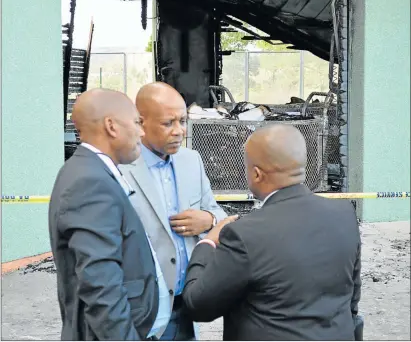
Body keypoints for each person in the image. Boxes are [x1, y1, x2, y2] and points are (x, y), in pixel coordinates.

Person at [182, 124, 362, 340]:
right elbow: (351, 297)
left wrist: (207, 245)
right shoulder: (343, 214)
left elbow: (198, 305)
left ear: (256, 174)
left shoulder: (244, 235)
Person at [48, 88, 164, 340]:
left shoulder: (90, 170)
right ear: (111, 126)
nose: (142, 133)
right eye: (137, 123)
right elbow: (101, 284)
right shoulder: (90, 181)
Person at [119, 82, 231, 341]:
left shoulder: (191, 161)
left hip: (186, 303)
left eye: (183, 121)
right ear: (141, 123)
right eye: (168, 123)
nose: (179, 131)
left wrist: (208, 219)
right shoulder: (120, 168)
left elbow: (217, 213)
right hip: (142, 306)